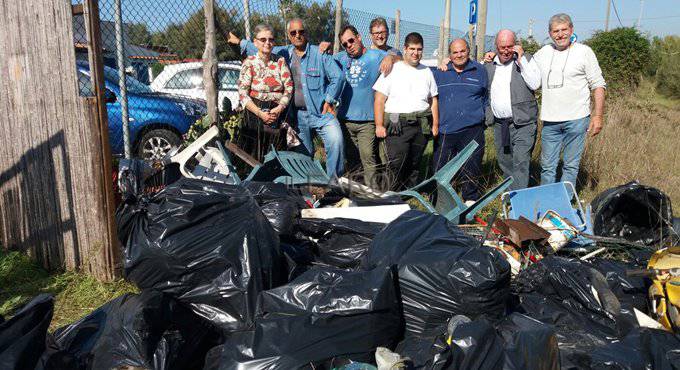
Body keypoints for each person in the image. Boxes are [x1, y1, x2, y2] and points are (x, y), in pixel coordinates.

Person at [229, 19, 345, 177]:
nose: (298, 35)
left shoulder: (318, 53)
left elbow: (338, 76)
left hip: (319, 113)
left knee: (336, 140)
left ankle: (334, 184)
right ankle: (307, 189)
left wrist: (329, 99)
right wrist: (239, 41)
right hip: (296, 116)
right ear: (289, 36)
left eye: (301, 32)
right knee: (302, 156)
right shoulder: (284, 53)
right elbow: (261, 46)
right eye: (293, 33)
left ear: (306, 33)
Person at [533, 13, 606, 186]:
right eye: (555, 31)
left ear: (571, 30)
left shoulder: (584, 52)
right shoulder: (544, 52)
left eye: (564, 29)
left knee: (571, 166)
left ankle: (565, 204)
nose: (560, 34)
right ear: (550, 34)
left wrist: (598, 116)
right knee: (547, 166)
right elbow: (525, 67)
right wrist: (492, 57)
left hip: (577, 119)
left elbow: (598, 85)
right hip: (550, 121)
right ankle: (547, 203)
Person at [373, 32, 438, 190]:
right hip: (397, 124)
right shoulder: (393, 69)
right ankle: (391, 197)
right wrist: (379, 125)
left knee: (415, 163)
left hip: (421, 124)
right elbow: (379, 100)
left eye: (419, 49)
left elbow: (433, 100)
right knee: (395, 164)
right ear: (405, 49)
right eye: (412, 49)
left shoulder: (427, 71)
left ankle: (409, 196)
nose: (416, 53)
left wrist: (435, 124)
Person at [334, 25, 396, 188]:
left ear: (359, 37)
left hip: (367, 120)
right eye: (345, 44)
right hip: (345, 119)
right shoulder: (341, 58)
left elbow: (399, 59)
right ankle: (356, 190)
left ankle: (372, 193)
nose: (349, 46)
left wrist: (390, 57)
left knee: (368, 157)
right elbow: (324, 62)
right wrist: (322, 48)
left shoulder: (375, 56)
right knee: (351, 157)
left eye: (351, 41)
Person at [431, 39, 488, 205]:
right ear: (450, 55)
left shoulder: (480, 70)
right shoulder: (440, 72)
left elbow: (485, 96)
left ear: (468, 51)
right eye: (455, 52)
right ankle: (438, 197)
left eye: (462, 51)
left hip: (473, 128)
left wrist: (480, 115)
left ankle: (470, 197)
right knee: (440, 166)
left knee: (472, 164)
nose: (459, 55)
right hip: (445, 128)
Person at [484, 30, 541, 190]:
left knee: (521, 161)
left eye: (510, 46)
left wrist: (521, 59)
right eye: (502, 47)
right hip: (499, 124)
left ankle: (520, 201)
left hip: (523, 123)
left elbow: (535, 84)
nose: (506, 50)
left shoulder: (526, 60)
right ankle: (510, 195)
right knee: (504, 161)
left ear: (516, 45)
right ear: (496, 47)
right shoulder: (489, 65)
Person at [237, 24, 293, 162]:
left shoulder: (280, 61)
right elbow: (243, 93)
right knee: (254, 155)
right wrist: (260, 113)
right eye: (263, 39)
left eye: (271, 39)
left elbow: (289, 87)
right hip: (255, 114)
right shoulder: (249, 63)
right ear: (255, 42)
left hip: (277, 113)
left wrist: (279, 108)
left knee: (276, 155)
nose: (267, 43)